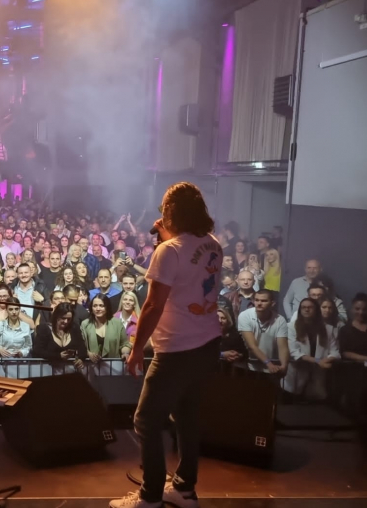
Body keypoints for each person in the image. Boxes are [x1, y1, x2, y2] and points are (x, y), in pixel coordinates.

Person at [115, 182, 223, 508]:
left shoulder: (168, 251)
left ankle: (149, 497)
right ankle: (185, 489)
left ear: (171, 212)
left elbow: (152, 305)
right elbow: (189, 265)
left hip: (177, 349)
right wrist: (168, 238)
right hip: (208, 343)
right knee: (187, 416)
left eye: (164, 209)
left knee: (146, 420)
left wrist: (137, 348)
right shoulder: (214, 244)